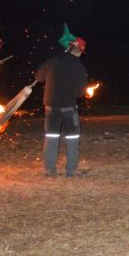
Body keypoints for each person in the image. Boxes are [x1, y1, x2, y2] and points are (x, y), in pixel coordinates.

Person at [35, 32, 88, 177]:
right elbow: (80, 93)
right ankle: (71, 170)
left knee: (51, 136)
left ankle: (50, 169)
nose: (81, 54)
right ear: (78, 50)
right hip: (68, 106)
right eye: (81, 51)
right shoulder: (79, 68)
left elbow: (39, 77)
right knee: (72, 137)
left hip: (50, 105)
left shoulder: (52, 61)